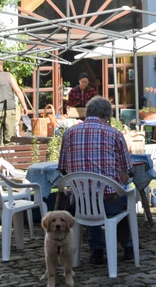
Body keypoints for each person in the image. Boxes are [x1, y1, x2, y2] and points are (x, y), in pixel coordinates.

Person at [57, 96, 133, 263]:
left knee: (89, 197)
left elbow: (63, 168)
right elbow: (125, 173)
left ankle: (97, 250)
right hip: (108, 203)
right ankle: (128, 246)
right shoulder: (114, 134)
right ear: (107, 116)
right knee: (120, 197)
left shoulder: (69, 133)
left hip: (80, 204)